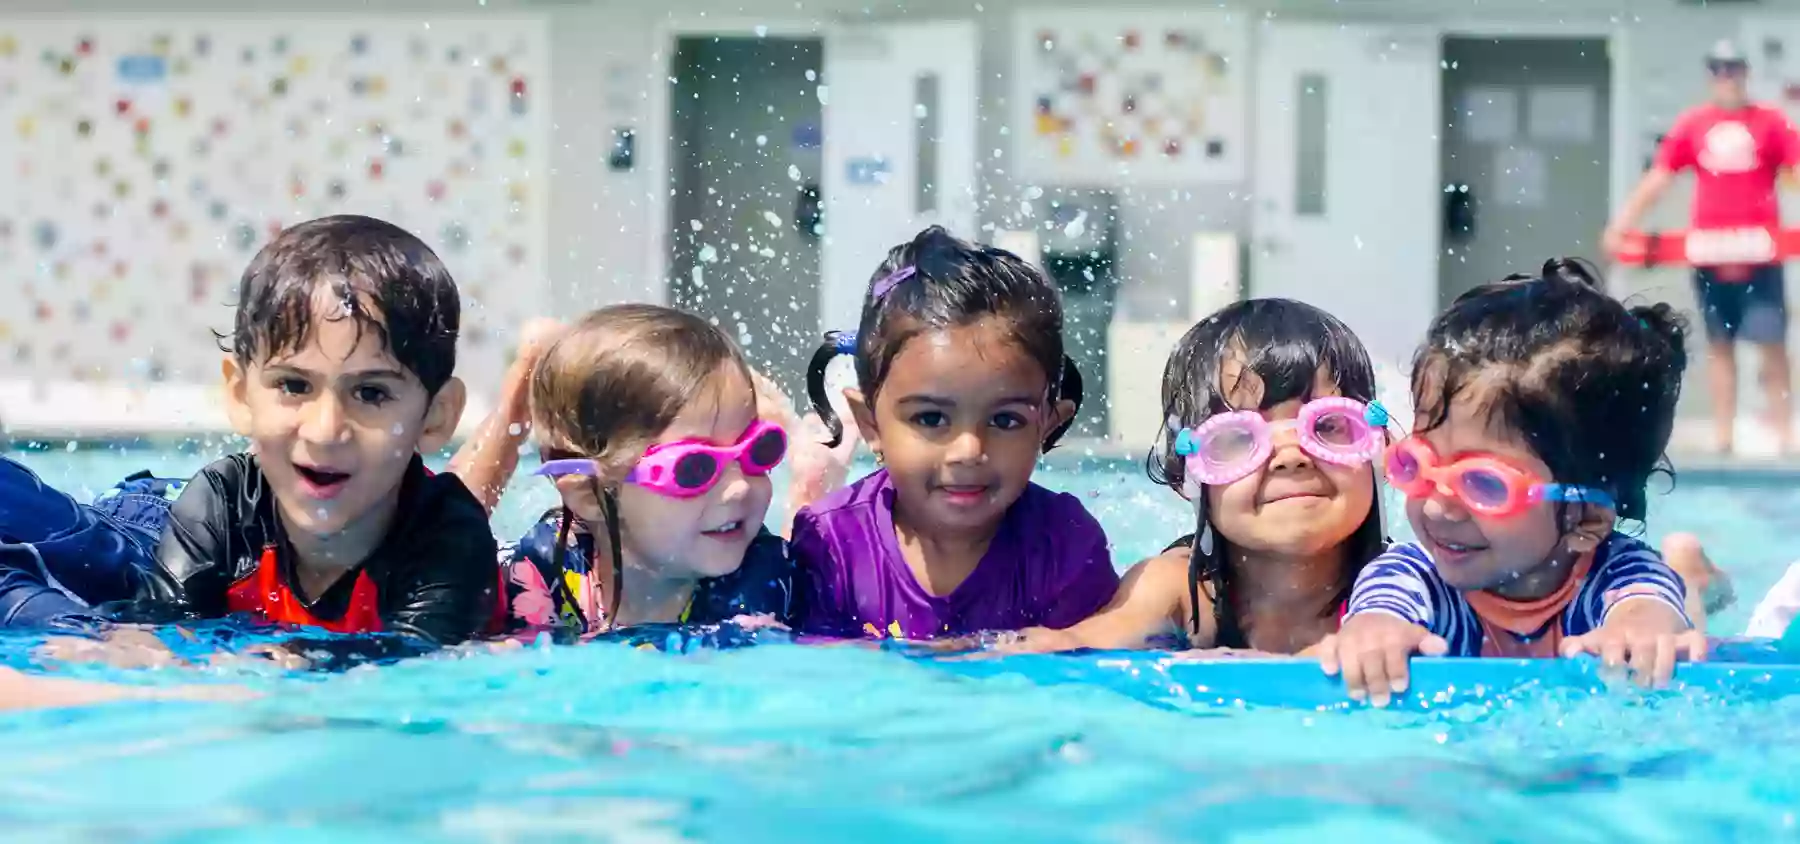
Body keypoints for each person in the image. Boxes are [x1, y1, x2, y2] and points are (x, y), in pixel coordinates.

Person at [0, 215, 499, 655]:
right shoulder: (221, 501)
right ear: (240, 396)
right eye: (293, 385)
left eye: (370, 393)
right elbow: (157, 638)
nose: (325, 431)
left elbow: (411, 659)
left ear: (435, 417)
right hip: (146, 513)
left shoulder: (450, 537)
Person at [1318, 259, 1702, 705]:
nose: (1439, 507)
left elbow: (1647, 605)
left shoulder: (1616, 572)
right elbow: (1380, 605)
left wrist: (1642, 629)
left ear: (1584, 519)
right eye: (1417, 465)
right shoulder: (1419, 572)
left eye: (1482, 483)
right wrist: (1373, 632)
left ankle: (1690, 571)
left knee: (1683, 603)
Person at [790, 226, 1119, 640]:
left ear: (1046, 425)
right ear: (871, 424)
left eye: (1005, 420)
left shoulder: (1065, 547)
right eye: (930, 419)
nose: (968, 450)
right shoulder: (830, 545)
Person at [1006, 300, 1390, 654]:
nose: (1290, 458)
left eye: (1328, 426)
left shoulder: (1405, 587)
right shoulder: (1182, 592)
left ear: (1381, 449)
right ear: (1185, 475)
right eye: (1240, 437)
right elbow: (1083, 646)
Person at [455, 305, 801, 636]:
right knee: (454, 536)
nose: (739, 487)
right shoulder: (546, 564)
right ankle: (516, 401)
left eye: (759, 449)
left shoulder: (763, 579)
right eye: (695, 467)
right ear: (588, 493)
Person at [1602, 40, 1800, 455]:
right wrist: (1622, 224)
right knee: (1719, 344)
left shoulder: (1771, 123)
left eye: (1734, 69)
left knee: (1772, 344)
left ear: (1745, 73)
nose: (1727, 77)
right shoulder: (1694, 124)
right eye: (1719, 69)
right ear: (1711, 75)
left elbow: (1795, 172)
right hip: (1710, 252)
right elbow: (1660, 178)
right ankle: (1724, 434)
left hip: (1759, 251)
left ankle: (1785, 434)